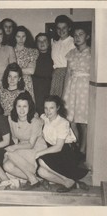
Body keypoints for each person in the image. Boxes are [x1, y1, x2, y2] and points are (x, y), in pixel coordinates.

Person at [36, 96, 89, 192]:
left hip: (65, 152)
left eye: (51, 108)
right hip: (53, 150)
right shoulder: (44, 117)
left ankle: (69, 180)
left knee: (41, 161)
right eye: (46, 108)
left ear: (58, 108)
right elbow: (37, 120)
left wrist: (40, 153)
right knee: (41, 172)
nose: (48, 111)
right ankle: (69, 182)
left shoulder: (63, 123)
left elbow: (58, 147)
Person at [4, 92, 47, 190]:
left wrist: (14, 149)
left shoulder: (35, 121)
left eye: (25, 106)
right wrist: (14, 150)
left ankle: (32, 179)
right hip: (22, 146)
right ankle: (36, 179)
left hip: (36, 147)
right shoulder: (11, 118)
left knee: (10, 154)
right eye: (19, 106)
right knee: (7, 166)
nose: (22, 110)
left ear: (29, 107)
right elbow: (15, 138)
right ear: (15, 107)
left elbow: (31, 144)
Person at [63, 25, 91, 156]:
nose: (77, 37)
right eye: (75, 35)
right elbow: (68, 74)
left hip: (85, 89)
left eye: (81, 34)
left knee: (83, 121)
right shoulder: (71, 53)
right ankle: (79, 143)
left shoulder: (92, 53)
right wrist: (64, 93)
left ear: (87, 36)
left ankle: (83, 151)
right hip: (71, 87)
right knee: (70, 120)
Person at [50, 15, 75, 97]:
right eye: (58, 28)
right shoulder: (55, 43)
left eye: (64, 28)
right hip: (56, 76)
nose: (61, 30)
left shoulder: (73, 42)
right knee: (55, 102)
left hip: (68, 75)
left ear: (69, 28)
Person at [14, 26, 39, 102]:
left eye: (23, 36)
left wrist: (13, 71)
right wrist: (23, 70)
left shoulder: (32, 51)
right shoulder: (9, 50)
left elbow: (31, 71)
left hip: (26, 83)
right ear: (14, 37)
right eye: (18, 36)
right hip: (12, 82)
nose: (21, 39)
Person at [32, 33, 53, 115]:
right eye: (39, 41)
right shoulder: (33, 55)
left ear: (48, 43)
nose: (42, 43)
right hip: (36, 86)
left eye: (44, 40)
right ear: (36, 44)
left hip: (50, 85)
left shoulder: (53, 54)